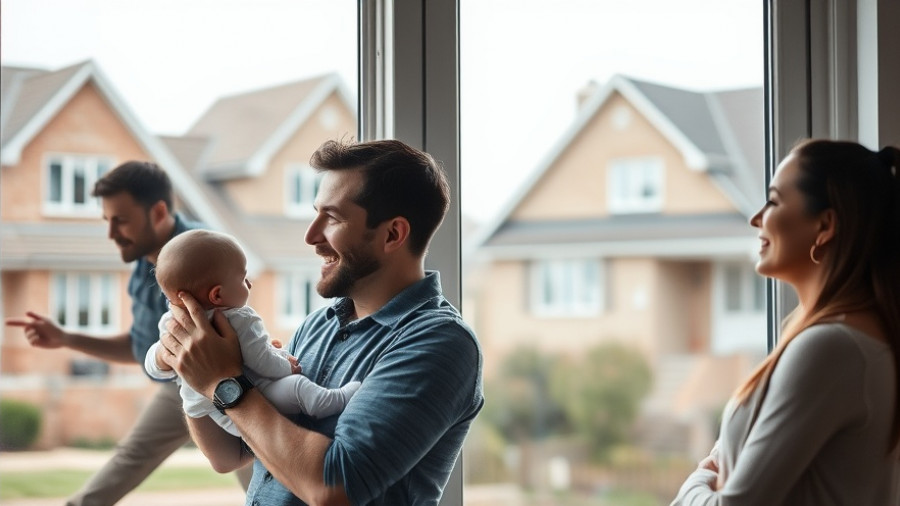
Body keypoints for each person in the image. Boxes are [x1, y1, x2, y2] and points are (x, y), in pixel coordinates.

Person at [156, 139, 485, 505]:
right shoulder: (317, 326)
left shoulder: (439, 343)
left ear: (393, 234)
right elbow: (227, 454)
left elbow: (333, 489)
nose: (311, 236)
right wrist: (194, 370)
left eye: (332, 218)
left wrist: (224, 382)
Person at [4, 161, 253, 505]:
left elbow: (234, 321)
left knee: (261, 471)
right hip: (179, 383)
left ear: (159, 212)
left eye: (120, 220)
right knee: (131, 458)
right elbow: (141, 346)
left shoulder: (202, 252)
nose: (111, 233)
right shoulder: (143, 264)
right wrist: (66, 338)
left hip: (223, 379)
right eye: (107, 221)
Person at [672, 139, 900, 505]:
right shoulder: (850, 338)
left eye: (774, 200)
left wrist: (696, 481)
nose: (755, 217)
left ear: (825, 225)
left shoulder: (832, 348)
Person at [145, 229, 361, 436]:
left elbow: (153, 366)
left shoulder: (171, 323)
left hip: (210, 414)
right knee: (297, 387)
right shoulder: (240, 318)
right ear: (217, 295)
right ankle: (336, 401)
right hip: (248, 404)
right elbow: (261, 361)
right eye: (243, 278)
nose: (249, 283)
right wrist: (288, 367)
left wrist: (162, 357)